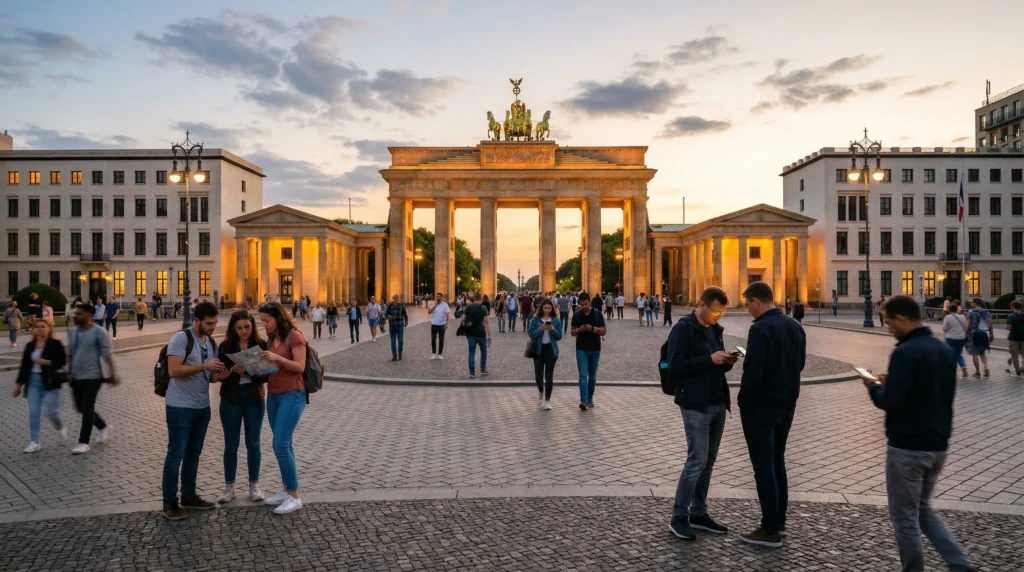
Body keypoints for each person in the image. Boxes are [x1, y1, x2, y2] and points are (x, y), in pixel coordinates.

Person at [859, 296, 974, 572]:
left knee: (905, 518)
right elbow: (933, 390)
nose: (887, 328)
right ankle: (960, 565)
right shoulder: (942, 350)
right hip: (938, 443)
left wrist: (872, 386)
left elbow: (891, 402)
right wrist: (894, 381)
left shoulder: (905, 352)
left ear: (901, 318)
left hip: (907, 446)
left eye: (888, 322)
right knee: (922, 508)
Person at [737, 281, 805, 548]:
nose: (747, 310)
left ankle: (769, 529)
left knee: (763, 466)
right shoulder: (795, 326)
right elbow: (798, 364)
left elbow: (753, 373)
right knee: (778, 460)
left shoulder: (760, 329)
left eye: (747, 305)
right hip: (787, 404)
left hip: (761, 407)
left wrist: (743, 401)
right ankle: (780, 520)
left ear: (756, 301)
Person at [667, 286, 737, 540]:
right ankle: (678, 516)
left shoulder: (715, 330)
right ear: (703, 305)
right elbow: (675, 367)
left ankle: (699, 512)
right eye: (716, 313)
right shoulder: (683, 328)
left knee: (707, 462)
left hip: (717, 400)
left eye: (722, 314)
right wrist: (710, 360)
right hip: (695, 403)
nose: (718, 318)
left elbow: (715, 365)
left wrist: (726, 361)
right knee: (696, 460)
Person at [161, 301, 224, 520]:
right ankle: (169, 502)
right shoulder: (181, 338)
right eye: (209, 323)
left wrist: (223, 373)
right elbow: (173, 370)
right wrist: (204, 366)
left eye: (215, 323)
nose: (213, 327)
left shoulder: (212, 342)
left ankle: (189, 495)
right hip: (179, 406)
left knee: (193, 454)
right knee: (175, 454)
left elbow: (212, 378)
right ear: (197, 320)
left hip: (201, 406)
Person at [257, 302, 307, 515]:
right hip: (274, 395)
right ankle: (287, 489)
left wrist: (277, 357)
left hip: (292, 395)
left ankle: (294, 497)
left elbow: (299, 367)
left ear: (278, 318)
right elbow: (271, 369)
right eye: (262, 322)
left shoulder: (294, 336)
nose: (264, 325)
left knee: (280, 445)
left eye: (267, 321)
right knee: (286, 444)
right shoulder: (271, 339)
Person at [214, 311, 268, 506]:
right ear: (232, 329)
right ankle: (229, 486)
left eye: (247, 327)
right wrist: (233, 373)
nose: (243, 331)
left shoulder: (261, 346)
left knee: (253, 442)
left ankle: (254, 485)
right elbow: (219, 375)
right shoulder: (225, 347)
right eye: (239, 328)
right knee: (231, 443)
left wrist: (248, 370)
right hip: (231, 397)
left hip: (254, 396)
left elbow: (266, 376)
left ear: (253, 326)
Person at [67, 303, 117, 455]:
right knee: (80, 407)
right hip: (76, 375)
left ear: (89, 315)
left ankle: (83, 442)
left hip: (93, 376)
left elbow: (107, 354)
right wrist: (68, 371)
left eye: (79, 313)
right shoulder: (73, 331)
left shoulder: (99, 332)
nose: (75, 316)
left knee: (87, 407)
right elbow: (71, 353)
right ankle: (102, 426)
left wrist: (113, 373)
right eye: (75, 313)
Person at [14, 319, 67, 453]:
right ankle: (35, 441)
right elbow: (24, 365)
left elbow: (61, 362)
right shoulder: (30, 345)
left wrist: (47, 362)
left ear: (49, 329)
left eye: (43, 326)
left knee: (51, 412)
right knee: (34, 412)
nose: (40, 329)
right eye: (37, 327)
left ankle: (60, 427)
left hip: (50, 382)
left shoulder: (55, 344)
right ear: (34, 330)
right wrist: (18, 384)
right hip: (33, 382)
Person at [571, 293, 607, 411]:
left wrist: (592, 329)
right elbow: (572, 332)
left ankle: (590, 398)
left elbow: (604, 331)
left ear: (589, 302)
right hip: (581, 348)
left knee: (592, 376)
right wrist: (579, 329)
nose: (583, 307)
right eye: (581, 305)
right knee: (582, 375)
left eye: (585, 304)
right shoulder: (576, 315)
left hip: (595, 348)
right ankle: (584, 400)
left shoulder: (597, 314)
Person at [529, 298, 562, 410]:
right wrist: (540, 329)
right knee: (538, 376)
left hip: (551, 350)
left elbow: (559, 336)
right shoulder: (536, 319)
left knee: (549, 375)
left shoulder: (556, 320)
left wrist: (552, 329)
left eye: (549, 308)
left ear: (552, 308)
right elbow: (531, 333)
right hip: (538, 350)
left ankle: (547, 400)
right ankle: (541, 391)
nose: (547, 310)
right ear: (541, 308)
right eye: (545, 308)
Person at [462, 292, 491, 379]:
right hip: (481, 333)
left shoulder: (468, 307)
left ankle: (472, 373)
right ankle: (483, 370)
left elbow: (463, 318)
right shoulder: (483, 308)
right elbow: (487, 322)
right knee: (483, 351)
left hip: (470, 333)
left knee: (471, 352)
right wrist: (489, 336)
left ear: (473, 298)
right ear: (481, 299)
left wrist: (464, 326)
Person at [965, 297, 992, 378]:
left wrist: (965, 333)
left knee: (975, 353)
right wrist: (991, 334)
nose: (971, 304)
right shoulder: (986, 312)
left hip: (973, 334)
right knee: (982, 352)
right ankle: (986, 367)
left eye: (971, 302)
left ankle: (977, 372)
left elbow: (968, 324)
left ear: (975, 303)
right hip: (983, 334)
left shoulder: (971, 312)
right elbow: (990, 324)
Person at [942, 303, 969, 378]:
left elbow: (944, 328)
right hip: (961, 338)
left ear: (949, 310)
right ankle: (963, 367)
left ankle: (953, 371)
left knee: (951, 354)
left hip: (950, 338)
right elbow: (966, 327)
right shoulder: (962, 317)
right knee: (958, 354)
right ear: (957, 309)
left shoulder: (947, 317)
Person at [385, 294, 409, 361]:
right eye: (395, 298)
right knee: (393, 341)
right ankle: (394, 355)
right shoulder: (390, 305)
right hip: (392, 326)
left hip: (400, 325)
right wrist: (388, 316)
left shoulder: (402, 305)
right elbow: (386, 314)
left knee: (400, 340)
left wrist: (406, 321)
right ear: (393, 299)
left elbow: (405, 314)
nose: (396, 299)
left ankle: (400, 353)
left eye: (397, 298)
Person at [429, 293, 450, 360]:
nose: (438, 298)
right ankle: (434, 353)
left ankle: (440, 354)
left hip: (442, 324)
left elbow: (447, 314)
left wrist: (446, 323)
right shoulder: (433, 303)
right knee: (433, 340)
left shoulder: (445, 305)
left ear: (442, 297)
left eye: (439, 297)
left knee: (441, 340)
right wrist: (435, 306)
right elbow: (429, 312)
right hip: (434, 324)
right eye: (437, 297)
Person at [1007, 300, 1023, 376]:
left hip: (1013, 338)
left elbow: (1009, 327)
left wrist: (1006, 327)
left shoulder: (1011, 316)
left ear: (1013, 307)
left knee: (1015, 356)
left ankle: (1018, 370)